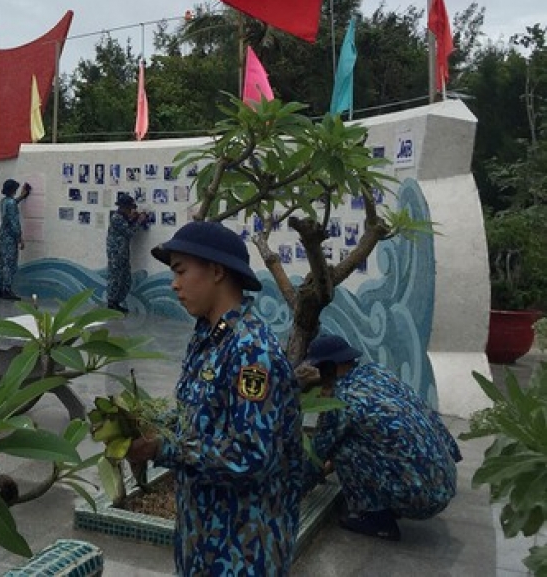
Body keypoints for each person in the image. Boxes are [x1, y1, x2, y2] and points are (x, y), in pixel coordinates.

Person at [128, 220, 304, 576]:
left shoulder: (251, 351)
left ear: (217, 271)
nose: (174, 283)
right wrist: (141, 425)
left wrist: (163, 448)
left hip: (243, 549)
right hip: (202, 537)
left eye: (181, 271)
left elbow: (250, 456)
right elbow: (196, 418)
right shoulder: (209, 336)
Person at [302, 333, 462, 541]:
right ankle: (391, 501)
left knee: (343, 447)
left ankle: (377, 520)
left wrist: (294, 488)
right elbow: (427, 413)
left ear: (328, 368)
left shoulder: (341, 400)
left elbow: (318, 453)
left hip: (421, 498)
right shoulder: (377, 373)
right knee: (374, 439)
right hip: (443, 482)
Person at [105, 191, 147, 313]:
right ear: (124, 208)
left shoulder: (122, 217)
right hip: (116, 254)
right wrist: (139, 221)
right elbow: (129, 233)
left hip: (123, 253)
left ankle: (116, 302)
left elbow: (127, 225)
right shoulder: (116, 218)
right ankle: (112, 303)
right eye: (129, 208)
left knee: (125, 278)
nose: (131, 211)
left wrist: (133, 219)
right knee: (116, 278)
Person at [0, 179, 31, 301]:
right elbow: (15, 223)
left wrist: (21, 197)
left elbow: (12, 203)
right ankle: (7, 289)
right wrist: (20, 238)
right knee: (9, 264)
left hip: (3, 235)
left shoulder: (4, 201)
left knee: (2, 262)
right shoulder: (11, 203)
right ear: (13, 190)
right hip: (10, 237)